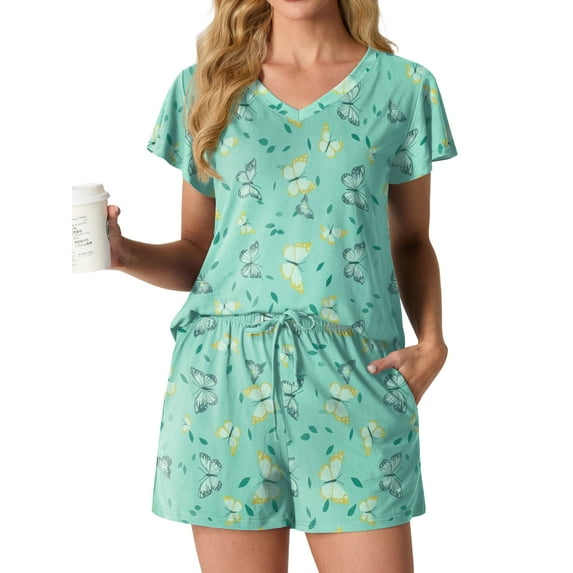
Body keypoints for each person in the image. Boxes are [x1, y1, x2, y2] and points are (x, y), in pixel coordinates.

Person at [107, 1, 457, 571]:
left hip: (356, 376)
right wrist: (123, 254)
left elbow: (413, 240)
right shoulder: (205, 87)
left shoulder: (404, 86)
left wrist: (433, 343)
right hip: (223, 379)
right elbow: (197, 251)